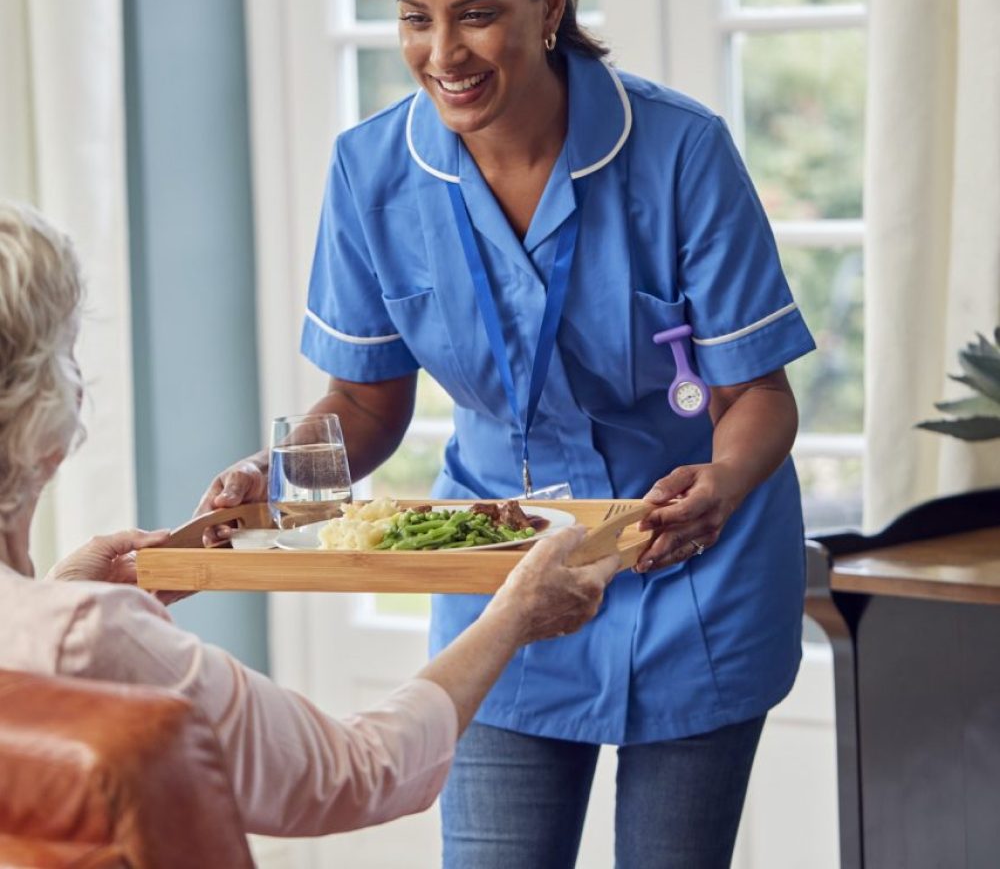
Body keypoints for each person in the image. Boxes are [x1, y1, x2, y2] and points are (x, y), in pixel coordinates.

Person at [199, 0, 817, 865]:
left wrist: (723, 481)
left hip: (690, 569)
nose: (443, 54)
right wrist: (273, 479)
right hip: (504, 580)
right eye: (415, 19)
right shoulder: (372, 174)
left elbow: (757, 398)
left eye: (478, 15)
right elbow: (363, 400)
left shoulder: (681, 152)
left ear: (550, 2)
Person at [0, 199, 618, 839]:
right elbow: (353, 772)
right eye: (69, 354)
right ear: (46, 409)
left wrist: (59, 596)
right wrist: (513, 615)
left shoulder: (61, 624)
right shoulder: (92, 637)